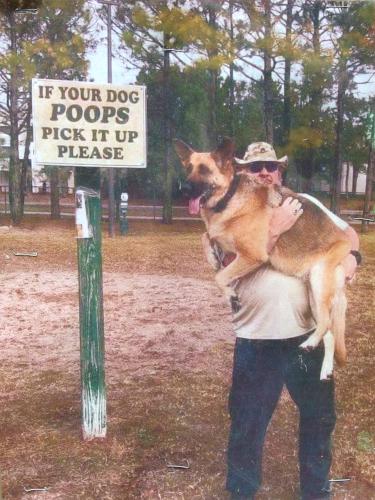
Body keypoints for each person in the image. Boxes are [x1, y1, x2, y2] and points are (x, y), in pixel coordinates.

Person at [204, 142, 360, 500]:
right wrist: (275, 228)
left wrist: (352, 258)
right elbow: (236, 261)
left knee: (319, 420)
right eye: (255, 166)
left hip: (306, 335)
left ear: (280, 172)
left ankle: (316, 491)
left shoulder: (300, 200)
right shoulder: (224, 215)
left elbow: (346, 232)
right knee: (248, 425)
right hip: (257, 340)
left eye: (271, 167)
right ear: (241, 172)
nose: (264, 173)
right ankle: (242, 492)